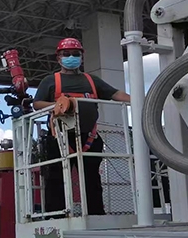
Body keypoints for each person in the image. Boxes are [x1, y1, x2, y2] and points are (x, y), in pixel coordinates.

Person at [33, 37, 131, 227]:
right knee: (57, 177)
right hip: (59, 137)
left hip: (89, 137)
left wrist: (138, 99)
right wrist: (60, 105)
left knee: (92, 178)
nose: (71, 57)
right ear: (58, 58)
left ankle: (95, 213)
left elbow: (114, 94)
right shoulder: (51, 81)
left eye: (75, 54)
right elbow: (37, 104)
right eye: (66, 54)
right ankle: (56, 216)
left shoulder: (91, 81)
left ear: (81, 56)